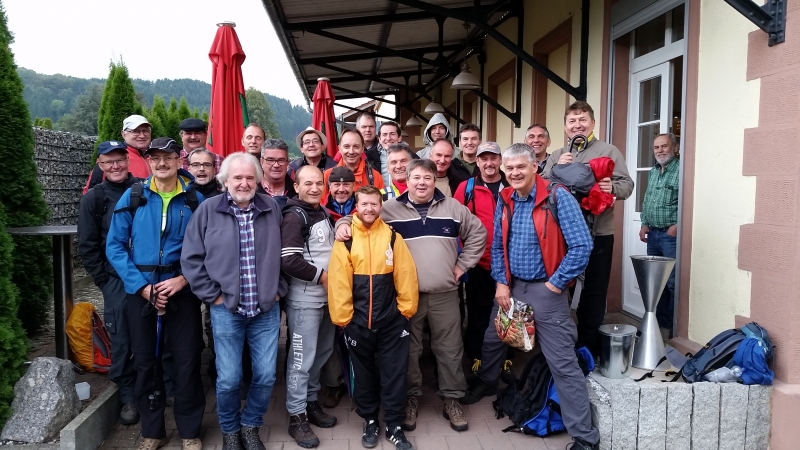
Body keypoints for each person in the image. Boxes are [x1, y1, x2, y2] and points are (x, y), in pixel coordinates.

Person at [462, 143, 599, 450]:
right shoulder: (506, 198)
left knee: (562, 361)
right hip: (513, 286)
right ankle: (486, 381)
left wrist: (556, 284)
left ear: (535, 166)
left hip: (547, 289)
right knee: (492, 338)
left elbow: (581, 246)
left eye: (520, 167)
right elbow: (498, 245)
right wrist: (501, 283)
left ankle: (585, 437)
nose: (514, 173)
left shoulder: (556, 197)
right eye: (509, 168)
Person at [334, 159, 486, 432]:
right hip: (406, 297)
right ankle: (411, 399)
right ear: (407, 179)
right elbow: (363, 216)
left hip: (444, 293)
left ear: (434, 179)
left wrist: (463, 264)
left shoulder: (453, 207)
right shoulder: (391, 209)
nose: (421, 183)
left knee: (450, 349)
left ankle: (452, 399)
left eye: (427, 177)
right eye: (416, 177)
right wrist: (342, 224)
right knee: (409, 351)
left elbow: (478, 232)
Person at [105, 137, 206, 450]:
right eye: (155, 158)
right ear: (149, 162)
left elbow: (209, 248)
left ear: (180, 161)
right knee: (147, 362)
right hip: (142, 291)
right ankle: (153, 431)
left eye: (169, 157)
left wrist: (183, 280)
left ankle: (190, 431)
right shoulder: (133, 196)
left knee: (188, 361)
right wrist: (143, 288)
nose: (162, 163)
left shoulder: (194, 200)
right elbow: (115, 247)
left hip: (182, 290)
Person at [182, 153, 286, 450]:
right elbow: (191, 259)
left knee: (266, 375)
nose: (243, 183)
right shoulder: (207, 210)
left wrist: (278, 288)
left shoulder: (271, 209)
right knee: (228, 379)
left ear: (258, 180)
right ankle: (229, 430)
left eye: (249, 177)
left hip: (265, 309)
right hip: (226, 309)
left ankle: (250, 425)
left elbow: (286, 253)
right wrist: (212, 295)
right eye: (237, 178)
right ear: (224, 181)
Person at [328, 185, 419, 450]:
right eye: (364, 204)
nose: (369, 209)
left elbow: (406, 275)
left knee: (395, 374)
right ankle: (369, 419)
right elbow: (338, 281)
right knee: (364, 375)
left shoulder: (392, 237)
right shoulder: (345, 239)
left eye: (374, 204)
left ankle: (394, 424)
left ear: (381, 206)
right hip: (357, 324)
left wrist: (405, 311)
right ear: (356, 206)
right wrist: (344, 320)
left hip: (392, 322)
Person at [541, 101, 634, 356]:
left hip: (598, 234)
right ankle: (560, 344)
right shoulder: (558, 153)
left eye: (582, 119)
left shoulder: (608, 150)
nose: (577, 125)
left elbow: (627, 184)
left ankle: (587, 348)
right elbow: (542, 187)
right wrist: (559, 167)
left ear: (592, 123)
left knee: (594, 291)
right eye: (572, 121)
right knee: (561, 287)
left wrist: (611, 188)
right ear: (565, 127)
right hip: (562, 236)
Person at [78, 141, 140, 425]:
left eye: (119, 160)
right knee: (122, 338)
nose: (115, 166)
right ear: (100, 165)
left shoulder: (144, 188)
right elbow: (87, 245)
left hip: (148, 276)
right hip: (116, 280)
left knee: (154, 335)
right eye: (108, 162)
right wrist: (104, 281)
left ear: (128, 161)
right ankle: (127, 395)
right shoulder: (94, 198)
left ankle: (159, 388)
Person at [281, 166, 338, 448]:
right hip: (305, 299)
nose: (315, 188)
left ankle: (311, 401)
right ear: (296, 186)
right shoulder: (295, 215)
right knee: (301, 360)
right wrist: (324, 277)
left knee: (321, 354)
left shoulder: (322, 211)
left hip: (327, 299)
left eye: (319, 183)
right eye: (308, 183)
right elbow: (289, 259)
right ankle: (296, 415)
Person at [452, 142, 511, 379]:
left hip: (509, 264)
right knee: (479, 311)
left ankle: (507, 359)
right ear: (477, 162)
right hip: (478, 262)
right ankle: (477, 356)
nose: (489, 163)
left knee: (508, 313)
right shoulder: (467, 188)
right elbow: (455, 224)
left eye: (493, 158)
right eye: (483, 159)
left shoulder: (512, 185)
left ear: (500, 161)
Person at [639, 133, 680, 335]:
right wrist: (644, 223)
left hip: (670, 236)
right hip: (653, 235)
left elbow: (687, 200)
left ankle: (674, 326)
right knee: (657, 282)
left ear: (674, 147)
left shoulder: (681, 170)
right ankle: (661, 322)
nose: (660, 150)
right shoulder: (654, 171)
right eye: (657, 147)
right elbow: (648, 198)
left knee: (673, 282)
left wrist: (679, 223)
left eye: (664, 146)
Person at [82, 115, 151, 193]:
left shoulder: (156, 157)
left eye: (145, 131)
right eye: (135, 131)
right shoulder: (112, 157)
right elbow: (90, 193)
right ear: (124, 134)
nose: (142, 135)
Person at [322, 128, 384, 199]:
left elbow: (381, 206)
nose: (351, 151)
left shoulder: (375, 177)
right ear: (339, 149)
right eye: (346, 146)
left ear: (362, 149)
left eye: (356, 146)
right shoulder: (327, 176)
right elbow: (321, 206)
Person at [258, 138, 297, 208]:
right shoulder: (252, 191)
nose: (276, 165)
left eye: (281, 160)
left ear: (288, 163)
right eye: (270, 160)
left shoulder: (297, 191)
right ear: (262, 162)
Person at [366, 121, 402, 187]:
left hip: (403, 195)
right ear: (379, 139)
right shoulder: (369, 157)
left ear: (399, 138)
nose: (388, 138)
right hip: (379, 195)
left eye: (392, 134)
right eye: (384, 134)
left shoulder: (411, 157)